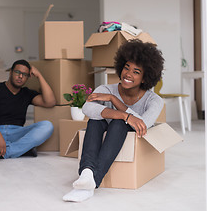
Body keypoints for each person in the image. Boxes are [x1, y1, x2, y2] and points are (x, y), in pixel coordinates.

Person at [63, 39, 165, 202]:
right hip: (103, 132)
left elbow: (143, 124)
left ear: (145, 78)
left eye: (136, 72)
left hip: (123, 134)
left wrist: (114, 101)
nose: (128, 74)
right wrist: (125, 115)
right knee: (95, 120)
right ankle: (87, 173)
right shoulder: (105, 89)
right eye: (127, 67)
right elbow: (87, 109)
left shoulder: (154, 100)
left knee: (118, 123)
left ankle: (92, 181)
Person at [0, 59, 56, 161]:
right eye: (17, 72)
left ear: (28, 77)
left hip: (17, 133)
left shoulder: (27, 93)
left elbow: (50, 102)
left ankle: (2, 152)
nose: (20, 76)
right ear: (11, 72)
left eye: (25, 74)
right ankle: (21, 149)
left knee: (47, 126)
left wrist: (39, 75)